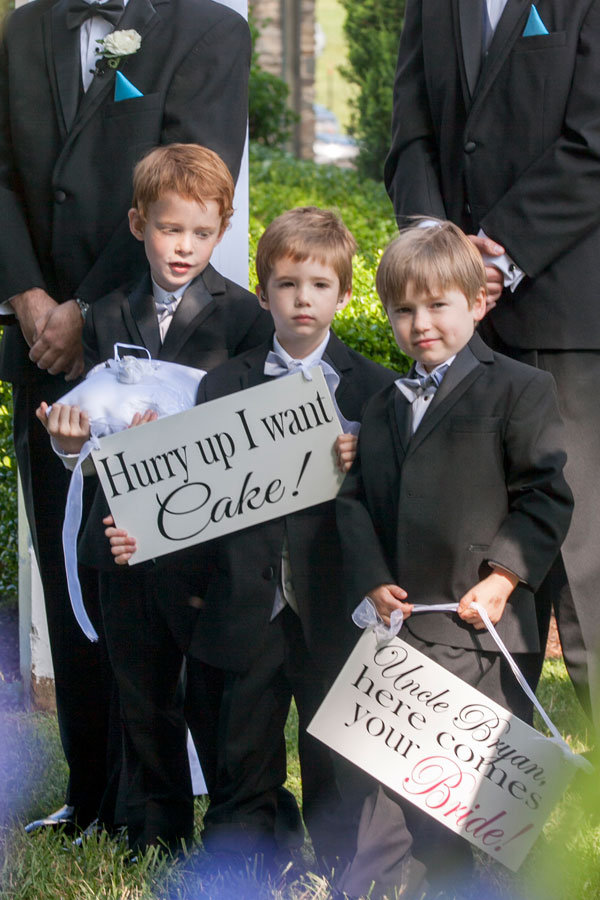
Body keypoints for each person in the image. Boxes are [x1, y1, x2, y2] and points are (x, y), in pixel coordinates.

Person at [0, 0, 251, 832]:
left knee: (152, 579)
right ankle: (93, 791)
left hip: (151, 348)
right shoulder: (27, 26)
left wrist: (85, 310)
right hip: (35, 347)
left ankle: (159, 798)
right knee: (72, 567)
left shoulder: (210, 29)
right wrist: (29, 296)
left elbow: (192, 186)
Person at [108, 206, 396, 870]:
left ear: (344, 295)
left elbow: (389, 505)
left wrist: (367, 461)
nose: (303, 299)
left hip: (332, 609)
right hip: (245, 607)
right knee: (241, 755)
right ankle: (243, 871)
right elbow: (192, 498)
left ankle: (343, 872)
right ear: (262, 293)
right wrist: (142, 537)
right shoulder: (225, 384)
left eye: (320, 285)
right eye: (288, 285)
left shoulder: (374, 392)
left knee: (338, 762)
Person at [37, 142, 274, 853]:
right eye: (171, 229)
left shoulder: (245, 318)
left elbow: (251, 431)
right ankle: (155, 829)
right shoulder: (107, 313)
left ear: (222, 232)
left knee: (209, 692)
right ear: (139, 224)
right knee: (140, 692)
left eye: (202, 233)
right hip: (124, 535)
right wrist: (71, 442)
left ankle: (232, 827)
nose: (184, 246)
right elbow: (95, 421)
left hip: (204, 541)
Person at [334, 221, 573, 899]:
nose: (420, 323)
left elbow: (546, 495)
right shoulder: (381, 404)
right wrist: (373, 578)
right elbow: (353, 501)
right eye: (403, 309)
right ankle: (378, 885)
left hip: (484, 634)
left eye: (438, 305)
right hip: (403, 636)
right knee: (389, 794)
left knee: (481, 806)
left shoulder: (519, 389)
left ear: (477, 302)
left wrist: (502, 579)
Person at [383, 0, 600, 720]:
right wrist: (437, 251)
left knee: (584, 571)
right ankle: (473, 797)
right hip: (456, 328)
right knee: (468, 562)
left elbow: (593, 137)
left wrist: (502, 248)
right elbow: (411, 133)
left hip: (563, 314)